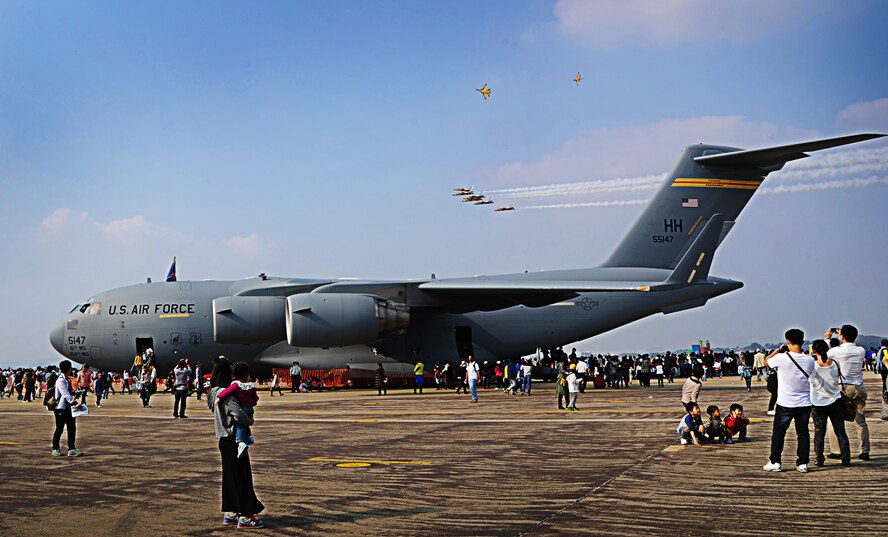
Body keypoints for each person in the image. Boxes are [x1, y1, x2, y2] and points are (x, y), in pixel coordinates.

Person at [209, 357, 265, 529]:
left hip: (222, 439)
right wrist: (249, 420)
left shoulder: (212, 392)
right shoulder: (226, 393)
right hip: (234, 439)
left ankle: (231, 511)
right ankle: (247, 515)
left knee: (230, 478)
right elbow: (238, 413)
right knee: (242, 477)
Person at [762, 329, 815, 473]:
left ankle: (775, 461)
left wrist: (778, 350)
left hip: (785, 402)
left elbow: (766, 362)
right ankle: (803, 463)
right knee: (803, 433)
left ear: (788, 341)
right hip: (804, 402)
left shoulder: (781, 358)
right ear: (803, 341)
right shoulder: (810, 360)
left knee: (779, 433)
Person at [824, 325, 870, 461]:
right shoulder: (861, 350)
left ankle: (836, 450)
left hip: (841, 388)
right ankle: (865, 451)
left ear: (842, 336)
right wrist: (843, 333)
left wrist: (828, 339)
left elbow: (824, 355)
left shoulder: (836, 351)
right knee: (860, 421)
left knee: (834, 420)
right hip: (859, 387)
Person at [809, 339, 851, 467]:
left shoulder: (812, 366)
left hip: (817, 403)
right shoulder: (835, 363)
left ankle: (819, 459)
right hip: (835, 401)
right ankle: (846, 458)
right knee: (840, 431)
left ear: (814, 351)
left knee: (819, 432)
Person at [214, 362, 259, 459]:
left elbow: (227, 391)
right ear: (247, 375)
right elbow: (255, 397)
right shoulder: (250, 386)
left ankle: (241, 443)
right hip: (250, 408)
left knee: (240, 425)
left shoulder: (235, 385)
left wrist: (219, 398)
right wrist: (253, 403)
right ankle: (248, 437)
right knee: (245, 423)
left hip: (242, 407)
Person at [51, 360, 83, 457]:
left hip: (68, 408)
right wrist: (75, 403)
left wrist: (75, 393)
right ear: (69, 369)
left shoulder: (66, 379)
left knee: (71, 428)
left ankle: (71, 449)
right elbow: (65, 394)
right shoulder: (60, 380)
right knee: (59, 429)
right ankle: (55, 448)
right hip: (60, 409)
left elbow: (68, 393)